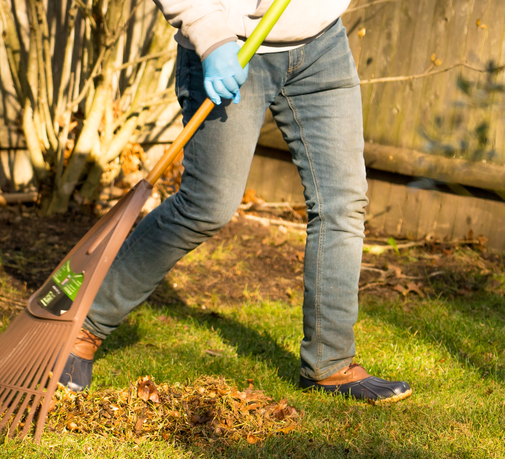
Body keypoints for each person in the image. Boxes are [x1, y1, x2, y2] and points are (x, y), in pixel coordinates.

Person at [59, 0, 412, 404]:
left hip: (320, 44)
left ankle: (330, 365)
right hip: (232, 45)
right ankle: (81, 327)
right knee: (206, 205)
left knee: (343, 204)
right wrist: (210, 36)